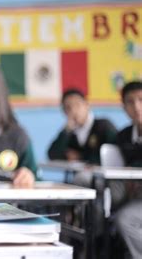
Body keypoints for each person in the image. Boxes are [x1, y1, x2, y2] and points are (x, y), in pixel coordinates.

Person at [47, 88, 117, 164]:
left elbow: (115, 153)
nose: (73, 111)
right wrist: (65, 131)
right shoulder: (70, 133)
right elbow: (52, 155)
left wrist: (80, 157)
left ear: (87, 105)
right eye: (68, 107)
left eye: (77, 105)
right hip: (80, 175)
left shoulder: (103, 126)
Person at [115, 81, 142, 258]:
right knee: (99, 209)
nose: (137, 107)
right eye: (130, 102)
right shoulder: (123, 135)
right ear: (124, 107)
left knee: (125, 219)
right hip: (133, 195)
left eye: (141, 99)